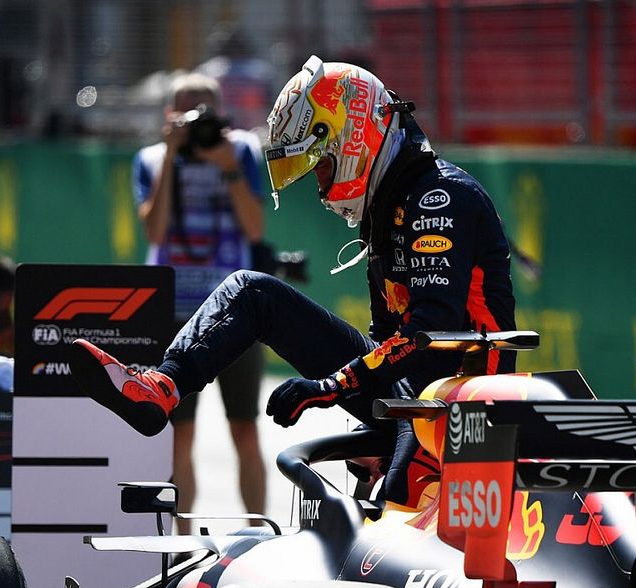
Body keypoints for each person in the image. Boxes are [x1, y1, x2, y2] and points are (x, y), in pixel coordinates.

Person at [71, 55, 518, 508]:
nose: (321, 186)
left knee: (387, 535)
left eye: (321, 166)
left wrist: (332, 387)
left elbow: (428, 336)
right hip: (415, 398)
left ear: (351, 136)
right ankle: (161, 388)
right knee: (251, 292)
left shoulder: (438, 199)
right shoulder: (389, 206)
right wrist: (366, 424)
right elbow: (385, 337)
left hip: (467, 406)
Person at [132, 71, 268, 533]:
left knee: (245, 426)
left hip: (235, 307)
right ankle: (181, 543)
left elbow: (255, 228)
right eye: (185, 110)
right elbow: (153, 230)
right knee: (178, 432)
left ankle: (257, 533)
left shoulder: (244, 151)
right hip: (171, 306)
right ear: (169, 115)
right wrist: (173, 155)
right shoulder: (150, 159)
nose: (194, 121)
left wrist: (226, 163)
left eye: (203, 110)